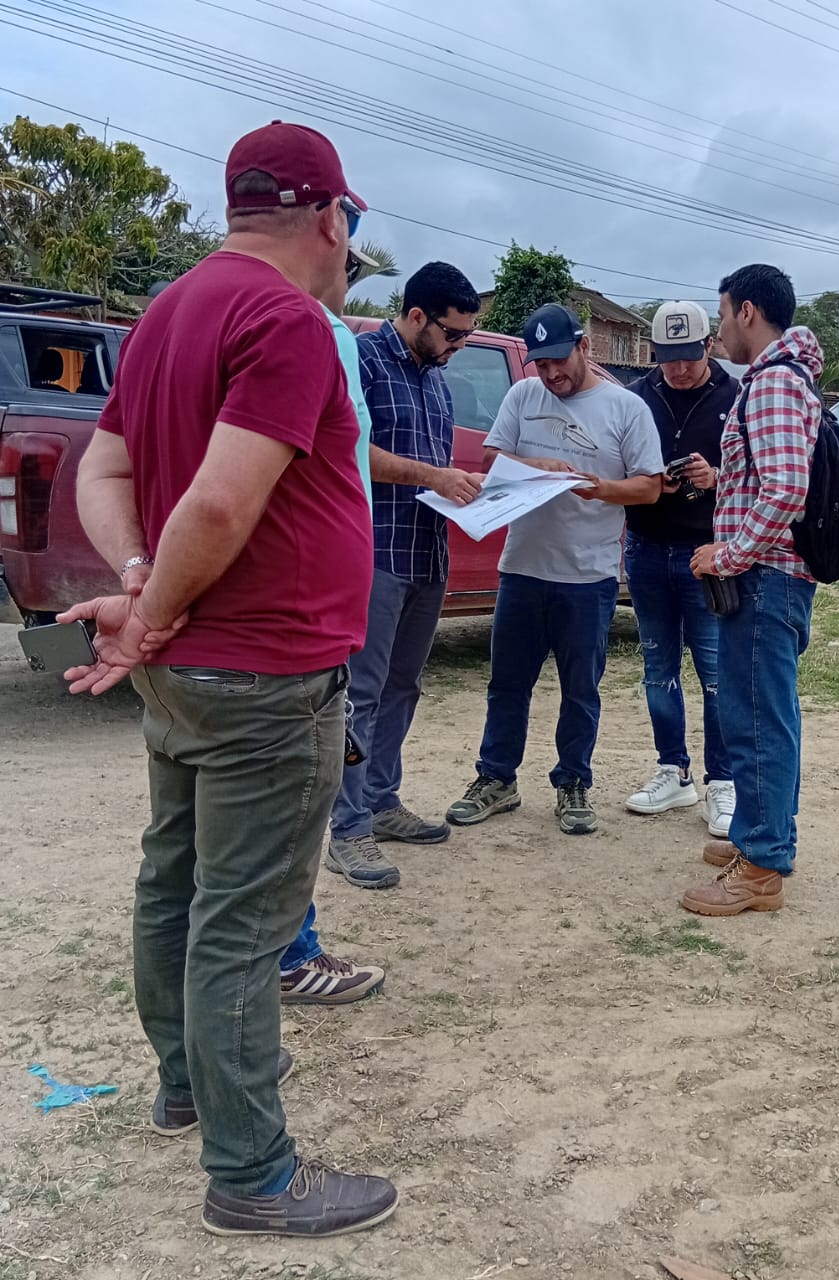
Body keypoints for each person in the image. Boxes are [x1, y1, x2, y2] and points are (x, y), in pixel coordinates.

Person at [59, 121, 397, 1235]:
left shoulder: (166, 311)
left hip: (191, 667)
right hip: (266, 667)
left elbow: (103, 468)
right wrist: (152, 609)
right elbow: (217, 502)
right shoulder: (286, 319)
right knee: (245, 921)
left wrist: (137, 587)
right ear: (330, 218)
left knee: (176, 881)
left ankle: (187, 1082)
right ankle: (251, 1172)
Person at [446, 303, 664, 835]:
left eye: (559, 361)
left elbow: (650, 487)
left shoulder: (626, 408)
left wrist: (600, 488)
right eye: (541, 364)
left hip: (588, 576)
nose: (550, 374)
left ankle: (573, 782)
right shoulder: (523, 396)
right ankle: (496, 778)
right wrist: (536, 466)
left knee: (580, 690)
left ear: (584, 347)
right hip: (522, 568)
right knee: (507, 683)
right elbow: (492, 459)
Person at [325, 263, 483, 890]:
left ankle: (381, 801)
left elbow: (437, 467)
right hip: (374, 554)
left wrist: (471, 489)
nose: (458, 346)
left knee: (403, 687)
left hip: (427, 555)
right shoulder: (361, 362)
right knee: (359, 695)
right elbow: (345, 451)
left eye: (467, 336)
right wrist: (433, 476)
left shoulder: (436, 378)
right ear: (417, 316)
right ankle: (347, 827)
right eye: (453, 333)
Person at [684, 264, 823, 917]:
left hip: (764, 579)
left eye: (721, 315)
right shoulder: (786, 378)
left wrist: (730, 555)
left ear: (746, 312)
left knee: (760, 721)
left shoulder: (770, 383)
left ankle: (763, 865)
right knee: (763, 715)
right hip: (771, 579)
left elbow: (787, 488)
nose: (718, 331)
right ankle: (759, 837)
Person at [277, 245, 388, 1005]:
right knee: (293, 794)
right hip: (303, 603)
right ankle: (292, 954)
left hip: (254, 605)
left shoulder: (178, 314)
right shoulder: (316, 330)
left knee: (200, 824)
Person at [623, 301, 738, 835]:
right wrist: (650, 481)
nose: (679, 368)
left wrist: (718, 476)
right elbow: (616, 464)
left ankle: (723, 780)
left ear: (710, 345)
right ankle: (673, 770)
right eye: (668, 357)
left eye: (689, 355)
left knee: (716, 672)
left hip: (707, 552)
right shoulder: (637, 397)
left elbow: (757, 474)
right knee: (657, 668)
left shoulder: (735, 397)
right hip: (646, 547)